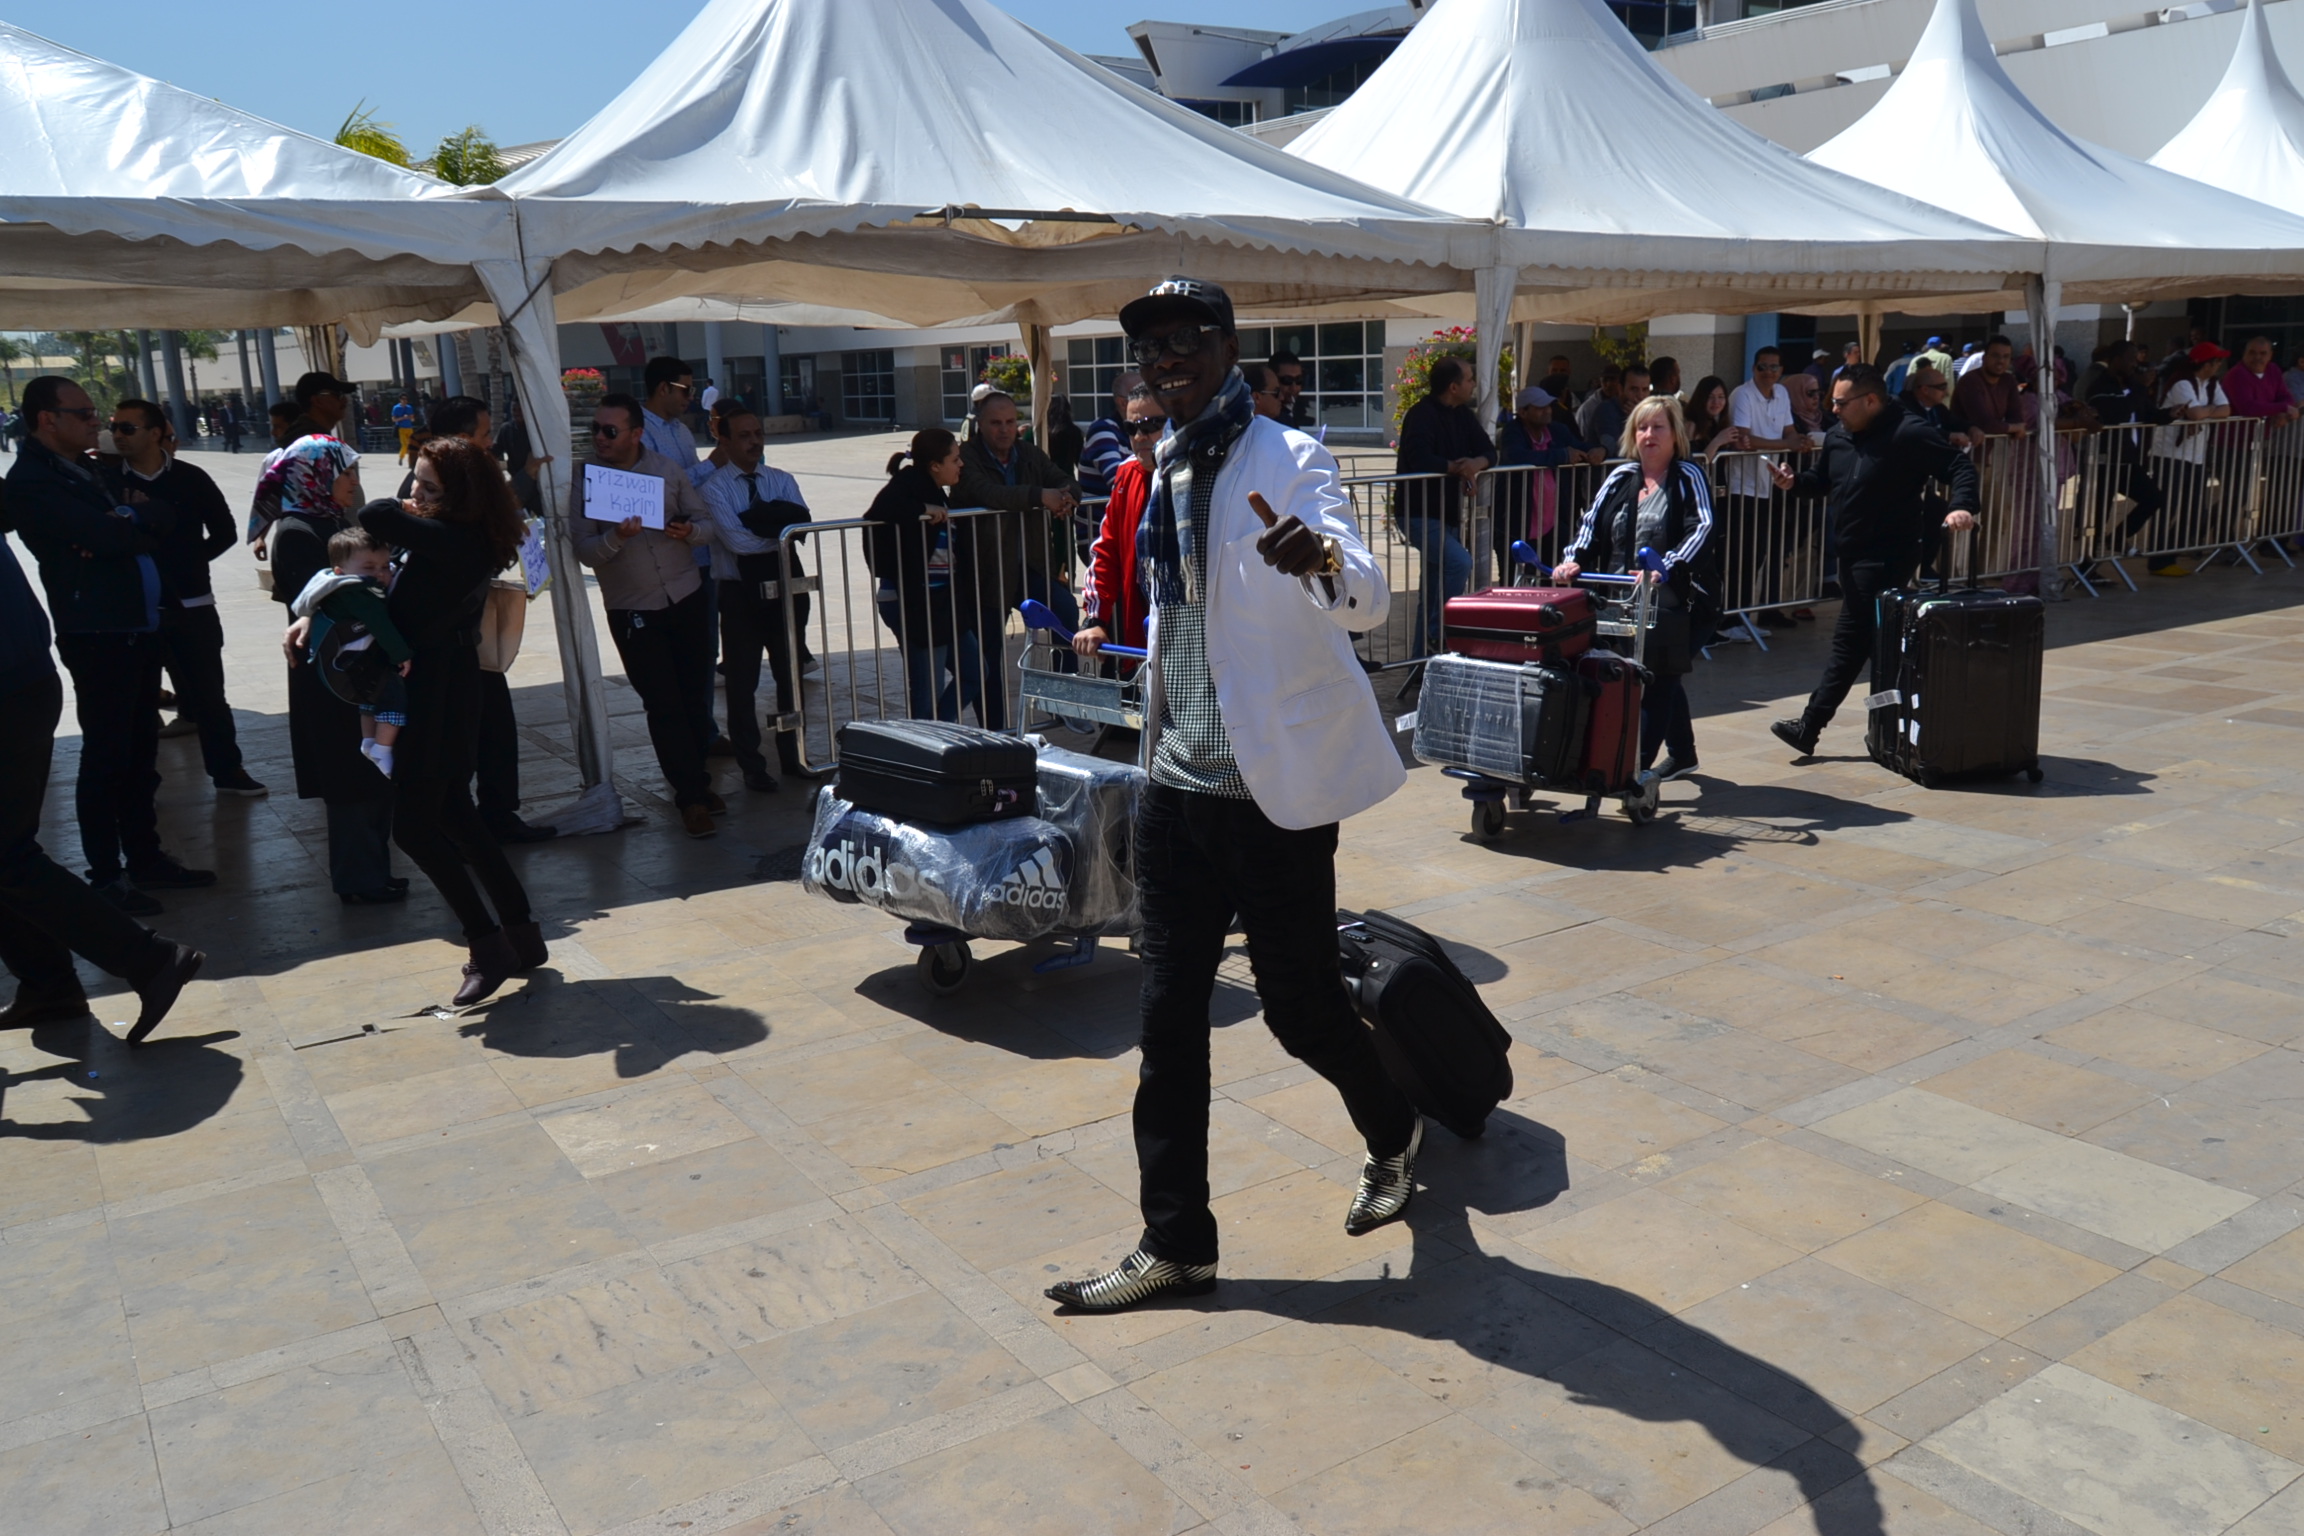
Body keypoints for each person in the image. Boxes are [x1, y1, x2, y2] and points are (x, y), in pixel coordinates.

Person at [1045, 277, 1416, 1314]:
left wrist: (1320, 565)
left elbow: (1367, 595)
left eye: (1187, 340)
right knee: (1167, 1025)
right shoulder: (1152, 466)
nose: (1168, 358)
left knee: (1300, 1010)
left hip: (1269, 793)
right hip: (1174, 782)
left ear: (1226, 347)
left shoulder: (1288, 457)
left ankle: (1393, 1129)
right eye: (1151, 346)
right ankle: (1178, 1244)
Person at [320, 439, 542, 1007]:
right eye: (414, 482)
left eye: (428, 487)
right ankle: (520, 931)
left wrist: (409, 509)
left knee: (416, 828)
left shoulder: (458, 540)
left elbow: (371, 514)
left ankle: (488, 944)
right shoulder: (458, 535)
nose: (414, 495)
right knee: (457, 817)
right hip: (438, 684)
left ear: (460, 495)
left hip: (439, 692)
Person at [7, 378, 215, 916]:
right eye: (83, 414)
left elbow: (163, 517)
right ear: (47, 419)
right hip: (97, 634)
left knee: (141, 753)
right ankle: (107, 875)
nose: (96, 421)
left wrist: (128, 518)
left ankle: (145, 857)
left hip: (138, 626)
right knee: (107, 757)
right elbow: (111, 539)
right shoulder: (31, 480)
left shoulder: (91, 469)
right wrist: (127, 521)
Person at [0, 499, 204, 1043]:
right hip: (20, 681)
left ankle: (149, 959)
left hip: (9, 689)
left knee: (8, 855)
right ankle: (48, 984)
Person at [1768, 366, 1980, 758]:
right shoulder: (1838, 435)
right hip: (1850, 553)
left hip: (1887, 555)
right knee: (1879, 644)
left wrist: (1962, 506)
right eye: (1831, 401)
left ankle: (1811, 726)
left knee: (1851, 640)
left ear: (1870, 400)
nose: (1833, 409)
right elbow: (1822, 480)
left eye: (1841, 402)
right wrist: (1794, 483)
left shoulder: (1909, 433)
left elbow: (1959, 467)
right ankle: (1898, 727)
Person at [573, 394, 722, 837]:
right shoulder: (586, 480)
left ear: (636, 433)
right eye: (596, 430)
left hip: (685, 595)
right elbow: (583, 551)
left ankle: (697, 781)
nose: (599, 438)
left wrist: (689, 531)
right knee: (664, 704)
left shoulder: (665, 470)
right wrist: (616, 537)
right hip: (633, 608)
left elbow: (707, 523)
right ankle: (690, 798)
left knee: (696, 697)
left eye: (609, 430)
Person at [102, 399, 265, 798]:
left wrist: (191, 563)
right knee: (138, 702)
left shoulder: (191, 478)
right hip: (135, 610)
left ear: (155, 433)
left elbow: (225, 531)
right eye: (115, 428)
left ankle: (228, 771)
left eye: (127, 428)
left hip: (192, 606)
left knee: (209, 696)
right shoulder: (105, 483)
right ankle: (139, 785)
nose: (117, 436)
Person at [1551, 394, 1717, 780]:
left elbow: (1703, 528)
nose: (1649, 435)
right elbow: (1590, 527)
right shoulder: (1620, 477)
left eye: (1658, 427)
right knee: (1660, 674)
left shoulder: (1688, 476)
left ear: (1675, 434)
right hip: (1623, 603)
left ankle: (1634, 769)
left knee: (1659, 680)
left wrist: (1667, 567)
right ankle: (1684, 754)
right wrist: (1573, 558)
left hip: (1679, 605)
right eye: (1642, 427)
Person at [418, 397, 553, 844]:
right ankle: (461, 825)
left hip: (476, 636)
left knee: (496, 728)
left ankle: (498, 813)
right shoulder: (429, 489)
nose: (490, 442)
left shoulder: (473, 481)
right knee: (461, 740)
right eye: (482, 434)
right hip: (448, 643)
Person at [697, 401, 812, 789]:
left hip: (786, 588)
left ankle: (793, 754)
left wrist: (766, 526)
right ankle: (753, 766)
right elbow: (737, 542)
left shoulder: (782, 479)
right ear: (723, 441)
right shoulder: (713, 489)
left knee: (789, 676)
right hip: (738, 595)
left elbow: (800, 525)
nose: (754, 442)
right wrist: (776, 529)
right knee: (742, 683)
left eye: (758, 434)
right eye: (744, 436)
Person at [956, 389, 1080, 709]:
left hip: (1031, 566)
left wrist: (1067, 496)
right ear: (980, 424)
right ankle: (994, 733)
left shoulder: (1029, 454)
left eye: (1011, 421)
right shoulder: (967, 456)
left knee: (1065, 609)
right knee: (989, 655)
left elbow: (1065, 479)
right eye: (996, 422)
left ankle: (1062, 699)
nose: (1005, 429)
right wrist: (1040, 496)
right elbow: (987, 493)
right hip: (986, 571)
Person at [865, 429, 999, 723]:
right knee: (928, 689)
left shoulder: (936, 488)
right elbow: (880, 510)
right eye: (955, 459)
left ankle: (938, 729)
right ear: (935, 465)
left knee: (975, 673)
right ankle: (927, 747)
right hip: (915, 601)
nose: (961, 464)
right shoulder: (909, 483)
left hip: (942, 600)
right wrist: (922, 509)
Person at [640, 355, 726, 754]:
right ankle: (685, 737)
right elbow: (662, 491)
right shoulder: (642, 434)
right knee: (673, 659)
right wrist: (713, 466)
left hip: (699, 553)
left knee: (705, 649)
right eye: (686, 390)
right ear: (663, 389)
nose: (692, 397)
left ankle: (703, 730)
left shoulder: (681, 432)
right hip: (665, 561)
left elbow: (691, 496)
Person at [290, 527, 412, 776]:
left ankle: (368, 742)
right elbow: (382, 626)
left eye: (385, 566)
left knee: (369, 700)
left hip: (348, 661)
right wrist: (402, 655)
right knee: (393, 696)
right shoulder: (358, 592)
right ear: (340, 571)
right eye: (369, 567)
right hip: (360, 656)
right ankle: (383, 747)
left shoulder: (332, 587)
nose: (379, 574)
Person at [1394, 356, 1494, 650]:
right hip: (1418, 512)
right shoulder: (1421, 414)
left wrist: (1476, 462)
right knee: (1459, 562)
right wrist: (1456, 467)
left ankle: (1420, 661)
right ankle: (1441, 631)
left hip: (1447, 513)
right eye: (1469, 379)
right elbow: (1420, 458)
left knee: (1433, 586)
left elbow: (1489, 450)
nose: (1473, 384)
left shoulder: (1462, 414)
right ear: (1453, 386)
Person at [1074, 386, 1163, 658]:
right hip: (1139, 626)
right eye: (1131, 427)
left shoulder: (1201, 474)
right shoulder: (1127, 472)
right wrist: (1096, 620)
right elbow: (1106, 550)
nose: (1139, 436)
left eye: (1151, 425)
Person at [1728, 347, 1806, 628]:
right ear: (1753, 369)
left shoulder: (1782, 394)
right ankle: (1736, 616)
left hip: (1773, 483)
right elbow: (1744, 440)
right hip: (1744, 486)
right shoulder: (1743, 395)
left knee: (1775, 549)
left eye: (1774, 367)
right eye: (1763, 367)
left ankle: (1770, 609)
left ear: (1781, 370)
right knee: (1746, 554)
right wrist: (1788, 444)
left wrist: (1795, 441)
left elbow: (1788, 431)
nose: (1769, 372)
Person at [2147, 341, 2234, 577]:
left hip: (2195, 455)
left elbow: (2226, 409)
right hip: (2169, 454)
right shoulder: (2182, 383)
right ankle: (2158, 558)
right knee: (2168, 507)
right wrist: (2207, 412)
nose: (2218, 365)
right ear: (2205, 363)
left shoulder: (2212, 384)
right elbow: (2195, 414)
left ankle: (2170, 552)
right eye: (2216, 361)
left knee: (2195, 509)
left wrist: (2204, 412)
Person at [1078, 372, 1141, 498]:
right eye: (1140, 394)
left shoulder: (1144, 429)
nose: (1150, 398)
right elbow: (1118, 481)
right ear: (1123, 403)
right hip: (1101, 517)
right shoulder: (1102, 430)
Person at [2224, 335, 2298, 428]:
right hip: (2233, 438)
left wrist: (2283, 413)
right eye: (2252, 353)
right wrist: (2283, 408)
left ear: (2270, 355)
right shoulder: (2237, 374)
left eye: (2263, 353)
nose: (2257, 357)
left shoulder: (2273, 369)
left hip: (2263, 436)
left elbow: (2286, 397)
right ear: (2244, 354)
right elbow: (2248, 408)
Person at [1683, 376, 1746, 458]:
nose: (1716, 402)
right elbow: (1696, 463)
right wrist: (1718, 441)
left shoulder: (1715, 423)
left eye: (1721, 397)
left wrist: (1736, 446)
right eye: (1710, 397)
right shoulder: (1691, 425)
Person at [1575, 364, 1627, 447]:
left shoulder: (1628, 404)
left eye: (1613, 379)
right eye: (1605, 380)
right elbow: (1582, 438)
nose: (1609, 384)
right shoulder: (1588, 408)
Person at [1043, 393, 1085, 479]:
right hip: (1067, 479)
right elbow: (1080, 462)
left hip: (1044, 481)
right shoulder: (1074, 431)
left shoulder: (1040, 432)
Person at [1269, 351, 1311, 428]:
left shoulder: (1296, 409)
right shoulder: (1268, 415)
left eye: (1299, 380)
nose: (1294, 388)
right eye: (1287, 380)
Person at [392, 393, 416, 462]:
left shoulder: (409, 407)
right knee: (405, 444)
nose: (404, 400)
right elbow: (394, 419)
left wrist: (410, 418)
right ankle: (401, 457)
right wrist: (402, 418)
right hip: (401, 428)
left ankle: (411, 459)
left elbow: (412, 417)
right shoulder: (396, 408)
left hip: (409, 428)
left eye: (406, 399)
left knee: (411, 444)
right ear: (400, 400)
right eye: (403, 399)